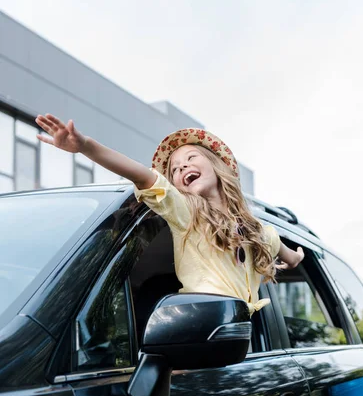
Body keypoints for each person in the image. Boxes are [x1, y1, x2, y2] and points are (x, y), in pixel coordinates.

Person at [35, 114, 304, 315]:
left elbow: (281, 247)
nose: (182, 166)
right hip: (196, 330)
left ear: (217, 166)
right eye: (174, 169)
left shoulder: (256, 230)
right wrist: (85, 146)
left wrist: (295, 257)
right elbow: (141, 175)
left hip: (230, 340)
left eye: (191, 157)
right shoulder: (187, 215)